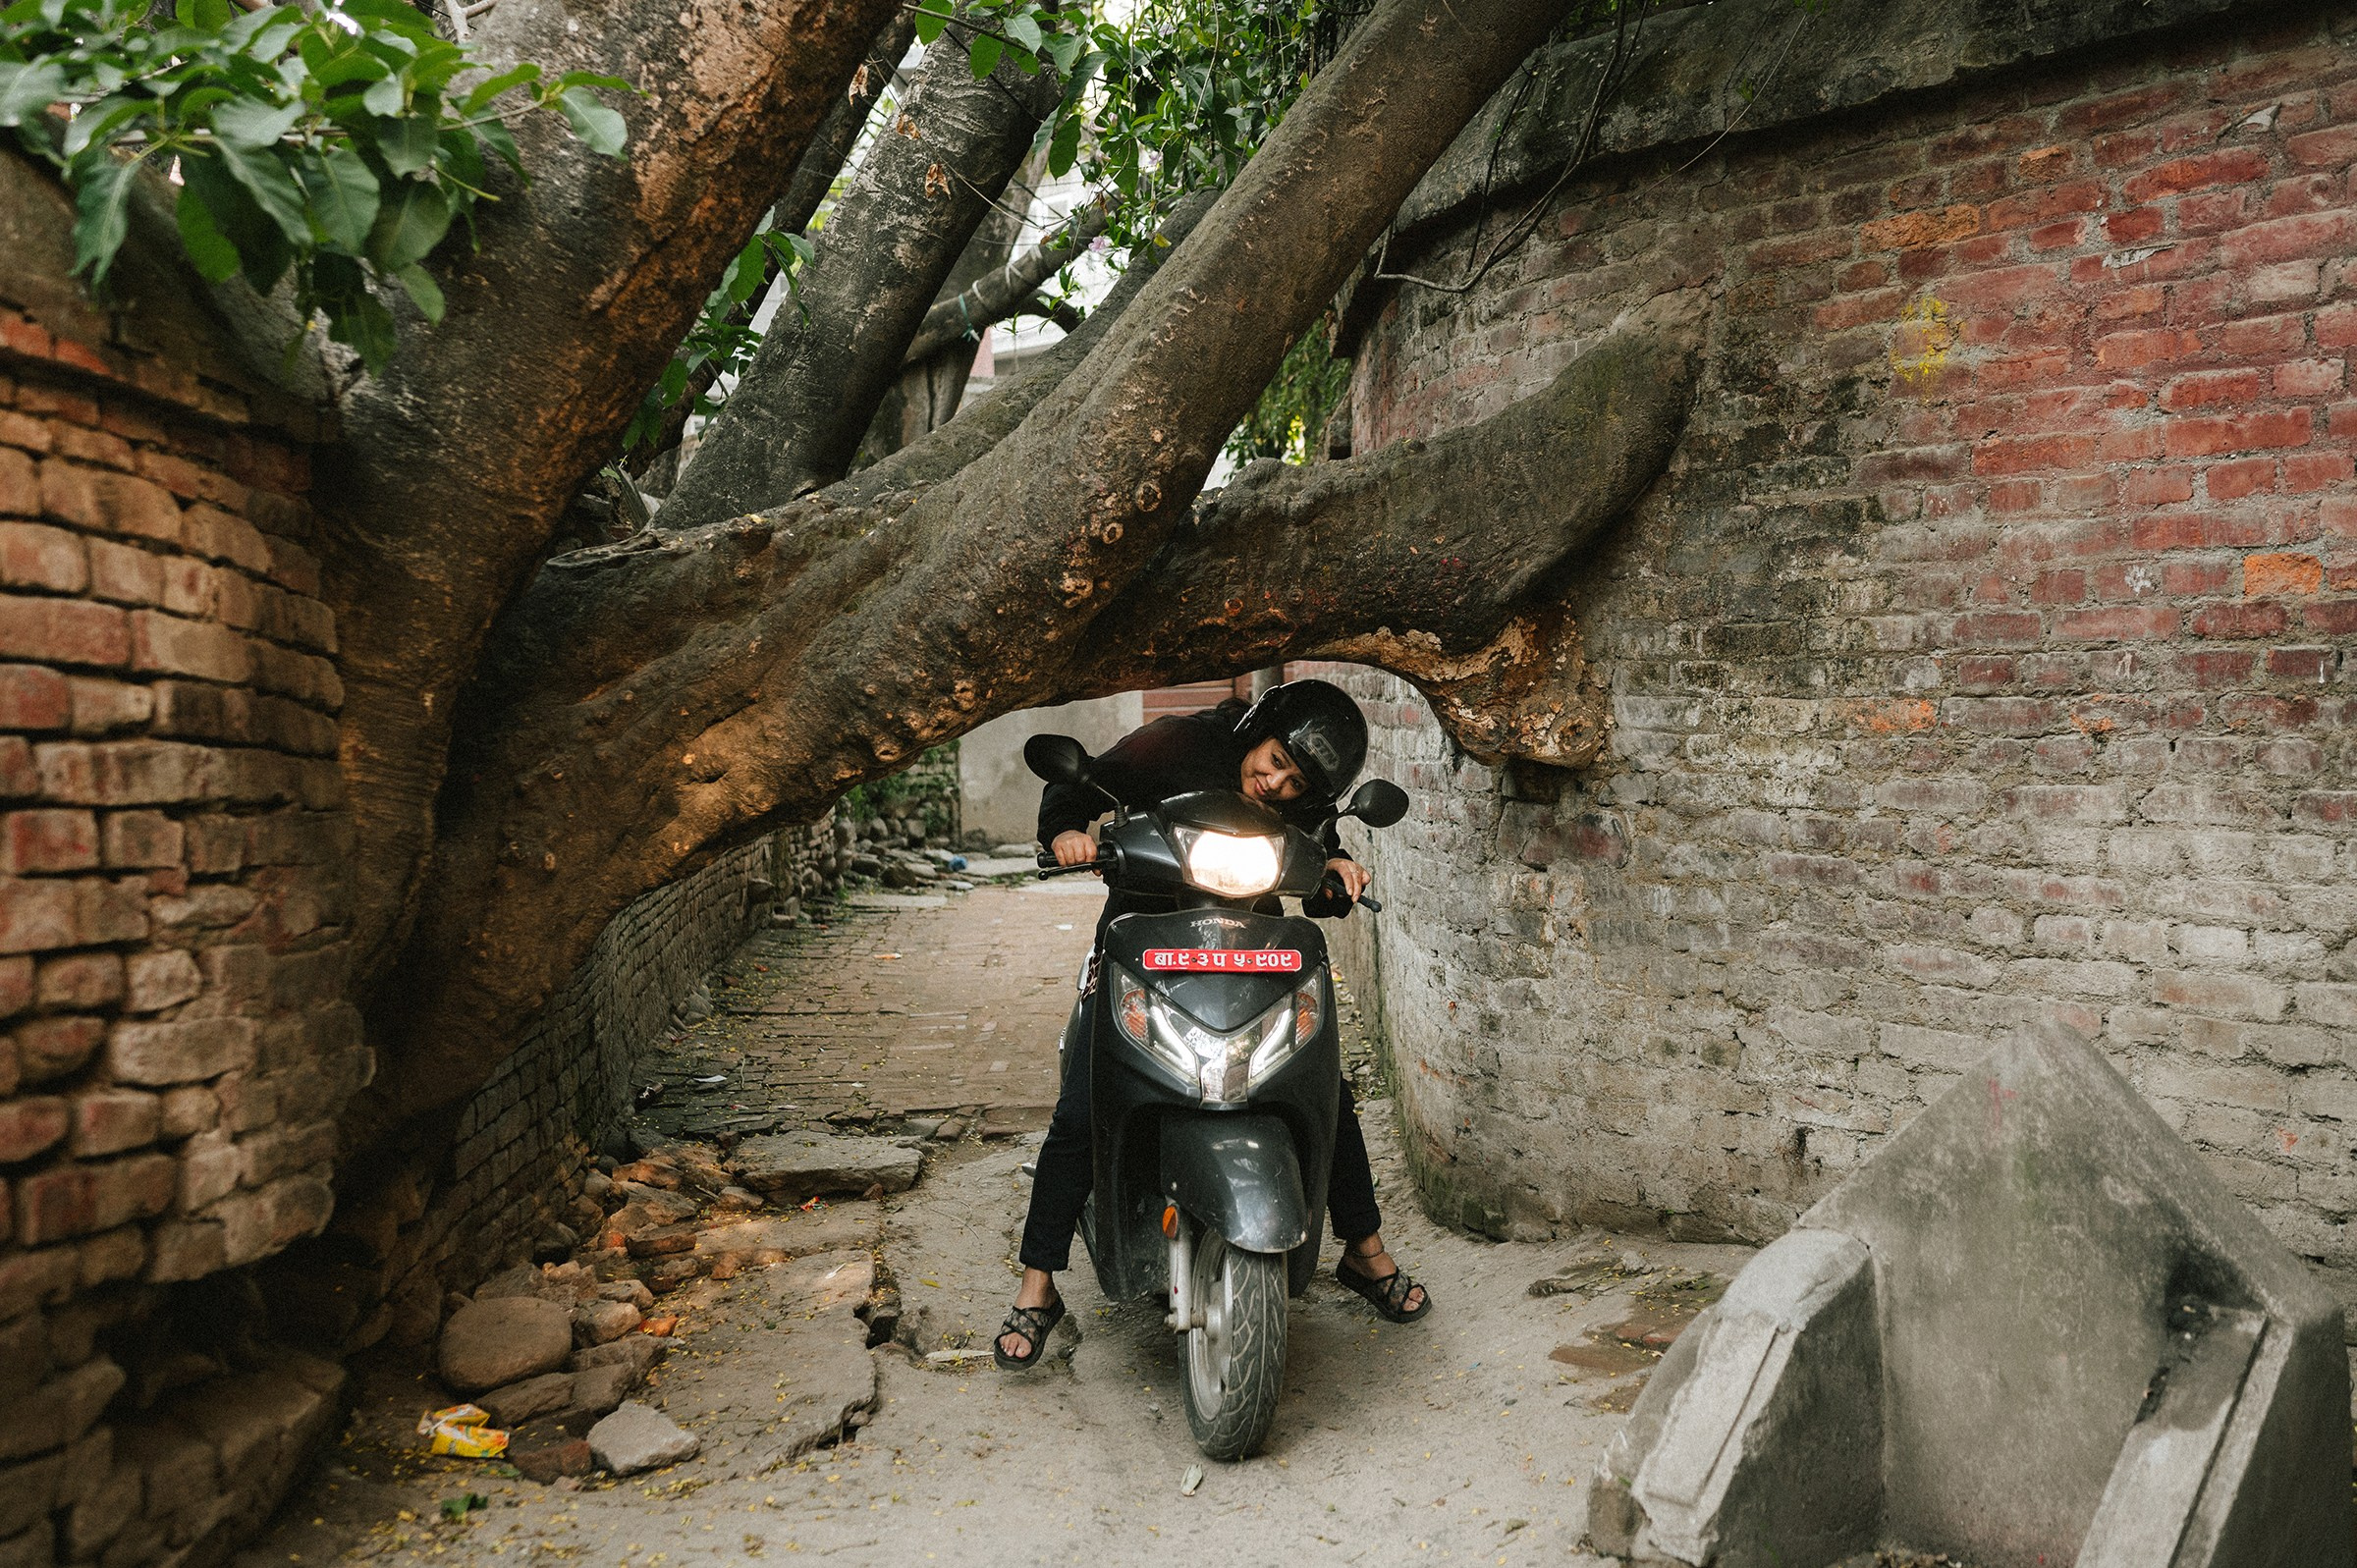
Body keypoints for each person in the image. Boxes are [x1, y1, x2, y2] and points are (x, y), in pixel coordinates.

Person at [994, 678, 1431, 1370]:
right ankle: (1038, 1285)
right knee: (1084, 1102)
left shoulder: (1302, 802)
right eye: (1276, 760)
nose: (1276, 783)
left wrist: (1337, 866)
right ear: (1258, 729)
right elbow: (1082, 784)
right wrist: (1067, 833)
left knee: (1323, 1085)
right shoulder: (1175, 744)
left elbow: (1318, 848)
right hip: (1144, 937)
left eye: (1295, 781)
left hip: (1248, 948)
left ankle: (1364, 1249)